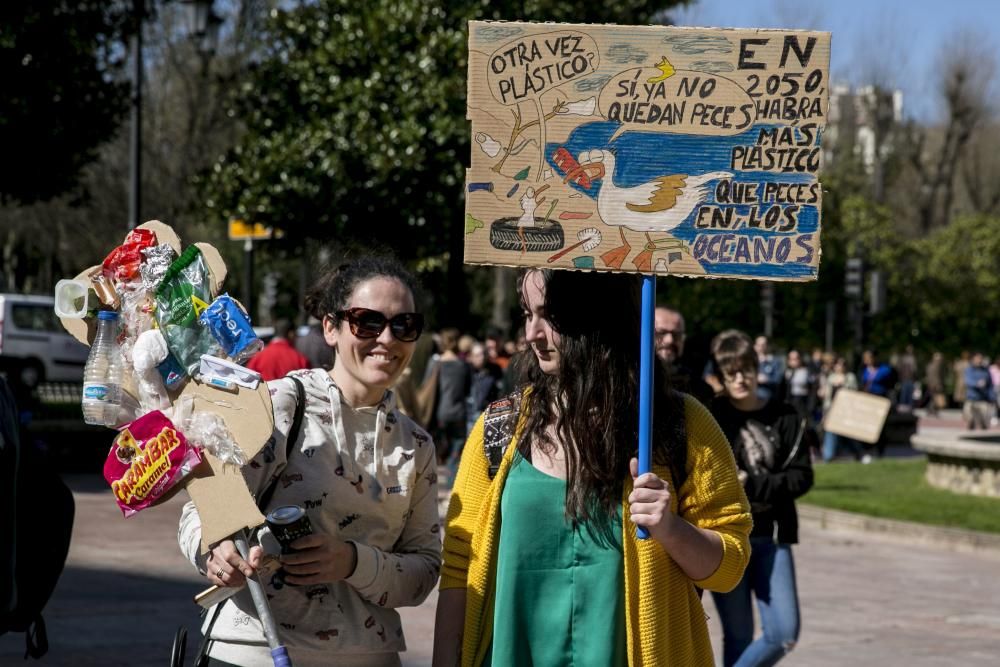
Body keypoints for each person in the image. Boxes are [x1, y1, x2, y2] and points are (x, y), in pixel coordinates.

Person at [432, 268, 751, 667]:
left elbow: (729, 567)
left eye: (549, 316)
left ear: (599, 316)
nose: (532, 333)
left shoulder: (678, 425)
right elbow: (460, 564)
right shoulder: (500, 426)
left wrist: (670, 528)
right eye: (527, 314)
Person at [178, 257, 442, 667]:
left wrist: (353, 562)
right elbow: (201, 510)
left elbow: (424, 572)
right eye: (367, 322)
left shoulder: (417, 444)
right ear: (331, 328)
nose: (387, 339)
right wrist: (214, 549)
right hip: (254, 651)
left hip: (369, 655)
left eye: (404, 325)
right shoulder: (279, 404)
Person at [709, 330, 814, 667]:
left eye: (746, 370)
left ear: (758, 367)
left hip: (772, 536)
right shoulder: (712, 415)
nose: (740, 379)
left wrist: (752, 484)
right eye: (730, 373)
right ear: (722, 376)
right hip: (727, 537)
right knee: (738, 636)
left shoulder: (786, 416)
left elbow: (801, 476)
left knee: (783, 631)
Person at [425, 328, 472, 468]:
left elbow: (427, 387)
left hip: (440, 413)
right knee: (456, 449)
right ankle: (451, 480)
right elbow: (468, 390)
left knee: (438, 448)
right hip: (459, 412)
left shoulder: (435, 364)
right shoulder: (463, 366)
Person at [654, 305, 714, 405]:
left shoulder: (699, 389)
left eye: (677, 334)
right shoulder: (629, 380)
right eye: (661, 332)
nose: (670, 340)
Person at [818, 357, 867, 463]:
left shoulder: (850, 377)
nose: (840, 367)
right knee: (831, 434)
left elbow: (854, 393)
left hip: (846, 411)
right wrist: (825, 413)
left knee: (850, 435)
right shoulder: (831, 378)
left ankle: (859, 454)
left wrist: (843, 384)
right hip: (832, 411)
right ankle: (828, 456)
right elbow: (827, 399)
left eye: (843, 364)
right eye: (838, 364)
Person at [963, 352, 994, 430]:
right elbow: (968, 381)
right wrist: (977, 384)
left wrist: (992, 397)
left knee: (985, 421)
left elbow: (990, 385)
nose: (979, 360)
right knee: (969, 418)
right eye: (977, 358)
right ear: (973, 359)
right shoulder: (969, 369)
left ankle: (984, 432)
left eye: (980, 358)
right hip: (971, 398)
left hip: (983, 398)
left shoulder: (986, 370)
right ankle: (971, 426)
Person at [754, 335, 784, 403]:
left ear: (767, 346)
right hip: (751, 399)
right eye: (758, 344)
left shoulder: (775, 361)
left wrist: (766, 379)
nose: (761, 347)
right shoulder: (751, 361)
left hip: (769, 399)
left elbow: (778, 379)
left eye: (763, 344)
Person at [923, 351, 946, 416]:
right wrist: (938, 384)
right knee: (934, 398)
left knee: (932, 398)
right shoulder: (937, 366)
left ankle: (931, 410)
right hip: (935, 384)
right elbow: (936, 376)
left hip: (931, 384)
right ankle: (932, 410)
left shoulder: (930, 365)